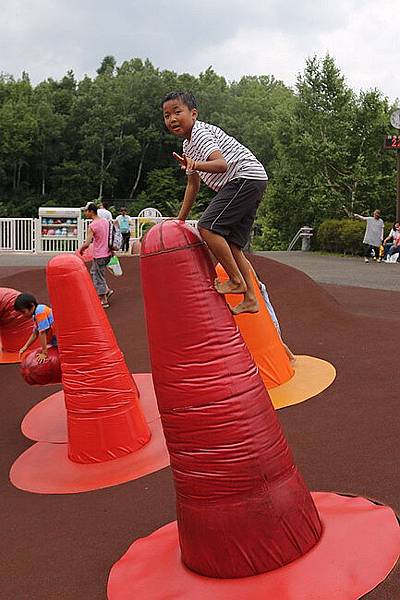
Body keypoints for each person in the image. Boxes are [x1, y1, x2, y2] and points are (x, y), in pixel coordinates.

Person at [162, 91, 268, 315]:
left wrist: (195, 164)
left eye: (177, 112)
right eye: (166, 115)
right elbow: (193, 185)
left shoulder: (200, 133)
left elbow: (221, 165)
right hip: (254, 179)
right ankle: (250, 298)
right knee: (232, 244)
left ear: (194, 113)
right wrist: (179, 219)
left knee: (208, 228)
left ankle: (236, 280)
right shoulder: (187, 147)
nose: (171, 119)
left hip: (244, 177)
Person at [248, 263, 296, 364]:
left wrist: (247, 264)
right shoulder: (254, 292)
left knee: (278, 341)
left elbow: (255, 279)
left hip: (271, 320)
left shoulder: (262, 289)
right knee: (271, 341)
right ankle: (282, 357)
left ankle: (291, 357)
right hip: (266, 321)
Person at [79, 202, 113, 308]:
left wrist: (81, 250)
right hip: (107, 252)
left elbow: (87, 242)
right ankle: (106, 290)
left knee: (98, 276)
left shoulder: (92, 225)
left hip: (99, 254)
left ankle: (103, 299)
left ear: (91, 211)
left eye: (86, 211)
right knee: (95, 272)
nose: (85, 213)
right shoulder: (105, 221)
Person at [14, 293, 57, 363]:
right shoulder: (35, 314)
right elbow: (35, 333)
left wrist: (44, 352)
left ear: (32, 306)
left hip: (57, 336)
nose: (23, 315)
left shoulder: (40, 312)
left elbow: (42, 333)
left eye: (23, 312)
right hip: (54, 336)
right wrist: (25, 347)